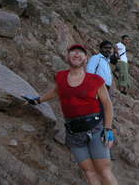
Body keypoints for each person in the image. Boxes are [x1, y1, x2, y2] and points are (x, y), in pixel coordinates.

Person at [23, 44, 118, 185]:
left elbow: (107, 105)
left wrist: (108, 129)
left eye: (81, 52)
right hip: (74, 133)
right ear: (67, 57)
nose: (77, 54)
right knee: (89, 172)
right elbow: (56, 91)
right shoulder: (61, 77)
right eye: (73, 52)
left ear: (86, 59)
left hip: (96, 129)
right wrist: (37, 100)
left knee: (104, 171)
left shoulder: (95, 80)